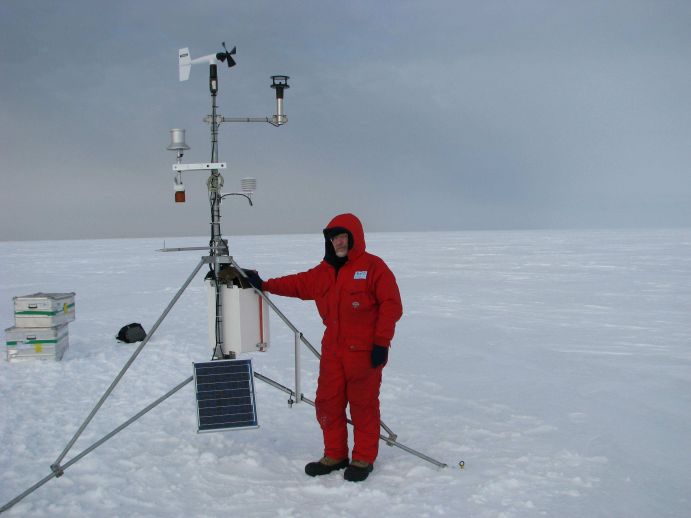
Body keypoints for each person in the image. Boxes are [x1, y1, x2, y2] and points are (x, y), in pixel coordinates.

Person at [244, 213, 402, 482]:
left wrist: (381, 343)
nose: (338, 242)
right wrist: (265, 285)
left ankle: (363, 458)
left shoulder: (374, 267)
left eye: (342, 237)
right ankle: (335, 455)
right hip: (333, 351)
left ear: (354, 238)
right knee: (327, 403)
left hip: (364, 352)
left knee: (363, 405)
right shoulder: (324, 272)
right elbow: (298, 283)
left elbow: (391, 306)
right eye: (333, 238)